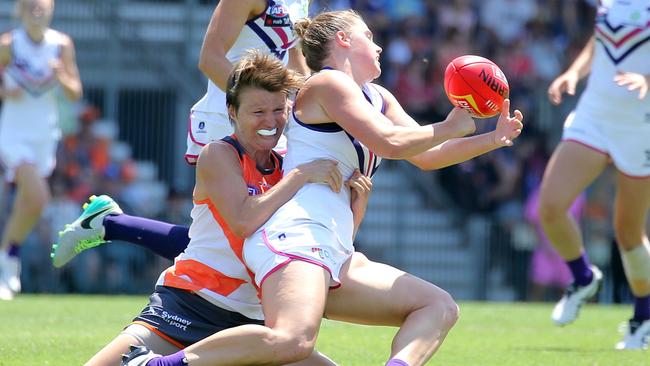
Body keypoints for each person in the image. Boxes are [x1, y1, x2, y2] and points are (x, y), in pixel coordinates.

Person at [121, 10, 523, 366]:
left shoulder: (378, 97)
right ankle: (157, 365)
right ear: (344, 40)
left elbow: (426, 155)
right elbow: (392, 144)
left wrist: (491, 138)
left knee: (438, 306)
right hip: (296, 234)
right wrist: (449, 126)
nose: (379, 45)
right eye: (369, 36)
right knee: (292, 340)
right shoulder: (328, 84)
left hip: (333, 243)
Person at [87, 51, 347, 366]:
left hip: (253, 322)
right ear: (231, 112)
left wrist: (356, 195)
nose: (270, 121)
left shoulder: (290, 163)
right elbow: (243, 221)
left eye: (279, 109)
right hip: (189, 304)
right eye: (258, 111)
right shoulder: (219, 155)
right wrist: (300, 176)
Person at [50, 0, 312, 268]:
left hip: (265, 120)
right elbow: (210, 58)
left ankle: (111, 224)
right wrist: (250, 107)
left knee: (238, 240)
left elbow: (295, 65)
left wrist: (318, 117)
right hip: (229, 120)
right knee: (230, 239)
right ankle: (111, 225)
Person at [539, 0, 650, 350]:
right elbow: (600, 40)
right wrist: (574, 72)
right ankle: (583, 277)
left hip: (641, 126)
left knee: (628, 232)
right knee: (550, 207)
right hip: (595, 116)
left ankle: (643, 318)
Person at [0, 0, 82, 300]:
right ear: (20, 10)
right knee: (38, 196)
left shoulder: (61, 45)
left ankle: (7, 255)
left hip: (45, 136)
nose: (37, 10)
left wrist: (61, 74)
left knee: (31, 204)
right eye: (31, 5)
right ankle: (8, 259)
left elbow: (75, 93)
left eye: (42, 5)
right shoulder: (8, 44)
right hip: (13, 134)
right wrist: (4, 91)